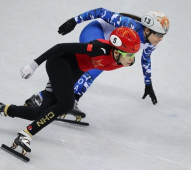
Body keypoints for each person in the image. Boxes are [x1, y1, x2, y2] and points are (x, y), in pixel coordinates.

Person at [0, 27, 140, 154]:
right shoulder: (99, 49)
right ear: (118, 51)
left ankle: (3, 109)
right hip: (60, 62)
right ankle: (26, 134)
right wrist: (34, 65)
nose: (132, 60)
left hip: (74, 70)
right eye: (129, 55)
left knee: (41, 112)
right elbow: (61, 47)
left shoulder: (123, 59)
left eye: (134, 56)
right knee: (66, 103)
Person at [26, 8, 170, 118]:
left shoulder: (151, 42)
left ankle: (58, 98)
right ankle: (48, 97)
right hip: (96, 31)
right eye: (159, 35)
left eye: (163, 35)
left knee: (89, 67)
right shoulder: (129, 24)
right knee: (96, 65)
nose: (161, 39)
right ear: (147, 30)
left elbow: (146, 60)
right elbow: (100, 11)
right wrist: (74, 21)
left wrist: (148, 84)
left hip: (110, 45)